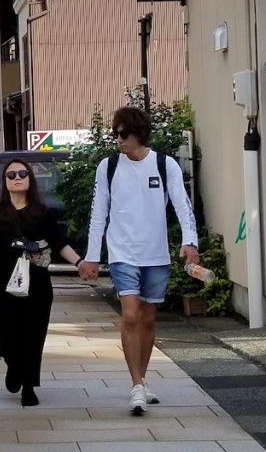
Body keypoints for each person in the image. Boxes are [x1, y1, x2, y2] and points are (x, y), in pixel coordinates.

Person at [77, 106, 199, 416]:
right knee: (130, 315)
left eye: (123, 133)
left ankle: (142, 380)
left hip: (155, 254)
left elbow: (183, 206)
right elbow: (97, 213)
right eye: (115, 133)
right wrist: (92, 256)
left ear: (138, 134)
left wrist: (190, 241)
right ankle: (135, 385)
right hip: (122, 253)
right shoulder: (108, 167)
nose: (118, 139)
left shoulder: (164, 164)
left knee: (147, 318)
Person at [0, 159, 81, 407]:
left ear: (30, 178)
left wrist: (80, 263)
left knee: (33, 334)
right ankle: (12, 363)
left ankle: (29, 386)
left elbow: (60, 243)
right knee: (8, 333)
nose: (17, 177)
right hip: (3, 283)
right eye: (11, 175)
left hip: (37, 284)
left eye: (22, 173)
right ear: (5, 181)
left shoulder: (41, 212)